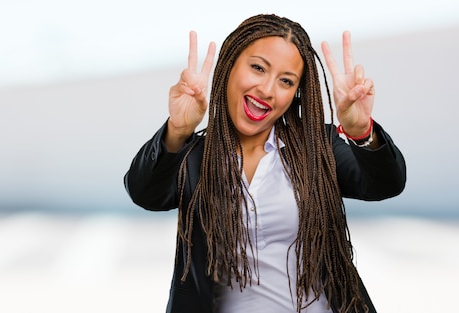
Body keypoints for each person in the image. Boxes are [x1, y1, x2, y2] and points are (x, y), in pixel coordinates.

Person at [124, 14, 406, 313]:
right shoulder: (194, 157)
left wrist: (361, 131)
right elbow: (146, 193)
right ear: (230, 65)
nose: (268, 90)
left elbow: (384, 184)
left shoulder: (318, 146)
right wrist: (177, 130)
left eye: (286, 81)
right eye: (258, 68)